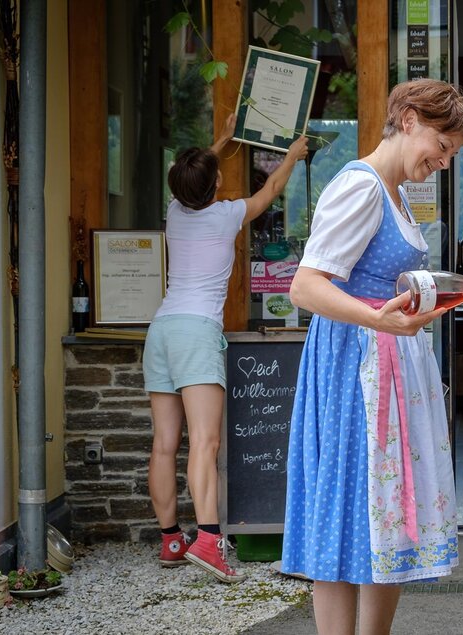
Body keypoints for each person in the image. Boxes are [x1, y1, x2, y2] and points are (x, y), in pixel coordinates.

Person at [281, 78, 463, 635]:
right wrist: (378, 319)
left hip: (385, 360)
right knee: (350, 507)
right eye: (442, 147)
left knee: (381, 514)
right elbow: (306, 287)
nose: (442, 161)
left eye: (451, 155)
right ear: (409, 119)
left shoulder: (394, 193)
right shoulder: (361, 186)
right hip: (355, 368)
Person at [144, 114, 308, 582]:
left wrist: (223, 138)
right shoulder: (227, 214)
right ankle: (211, 542)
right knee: (206, 443)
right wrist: (292, 157)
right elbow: (270, 192)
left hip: (162, 330)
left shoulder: (175, 212)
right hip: (197, 333)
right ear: (214, 184)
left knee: (163, 446)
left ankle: (171, 540)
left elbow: (194, 175)